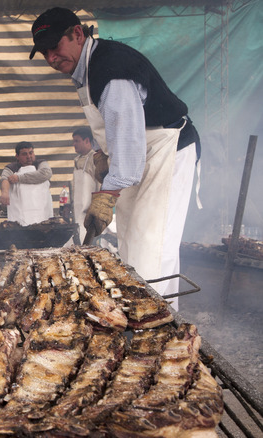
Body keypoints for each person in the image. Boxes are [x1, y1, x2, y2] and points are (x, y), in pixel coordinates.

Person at [29, 7, 200, 309]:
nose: (51, 58)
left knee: (152, 245)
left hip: (166, 150)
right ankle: (153, 315)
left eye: (55, 47)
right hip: (140, 153)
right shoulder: (87, 69)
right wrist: (103, 156)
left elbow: (129, 157)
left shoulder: (111, 71)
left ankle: (158, 330)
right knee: (132, 242)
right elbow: (117, 129)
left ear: (77, 34)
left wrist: (106, 195)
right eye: (44, 53)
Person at [0, 141, 53, 226]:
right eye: (24, 154)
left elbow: (46, 173)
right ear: (17, 156)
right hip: (20, 214)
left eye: (31, 153)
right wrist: (5, 193)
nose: (29, 157)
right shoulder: (11, 168)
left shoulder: (41, 163)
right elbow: (4, 179)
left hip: (41, 211)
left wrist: (18, 178)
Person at [71, 127, 100, 242]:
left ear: (87, 140)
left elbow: (99, 184)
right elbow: (75, 185)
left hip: (91, 208)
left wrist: (96, 206)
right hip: (78, 207)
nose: (74, 144)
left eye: (77, 141)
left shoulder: (96, 158)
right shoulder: (77, 160)